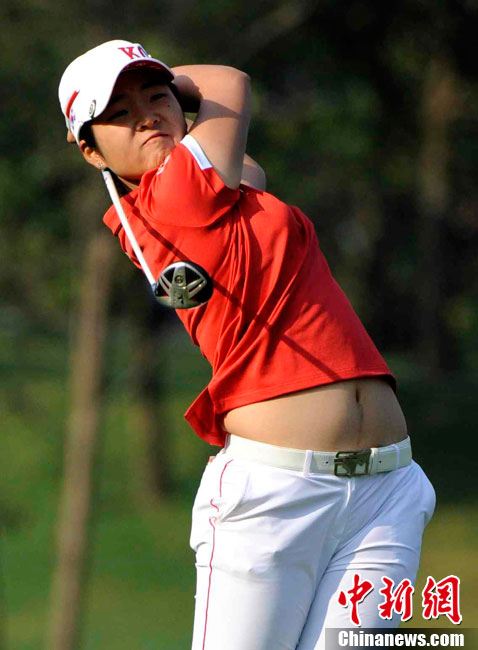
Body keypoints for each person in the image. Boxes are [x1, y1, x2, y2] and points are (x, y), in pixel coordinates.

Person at [59, 40, 436, 650]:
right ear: (90, 150)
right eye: (120, 113)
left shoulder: (209, 191)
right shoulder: (171, 197)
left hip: (384, 490)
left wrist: (160, 103)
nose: (147, 116)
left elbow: (242, 161)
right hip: (276, 497)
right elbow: (228, 83)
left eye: (156, 98)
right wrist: (175, 89)